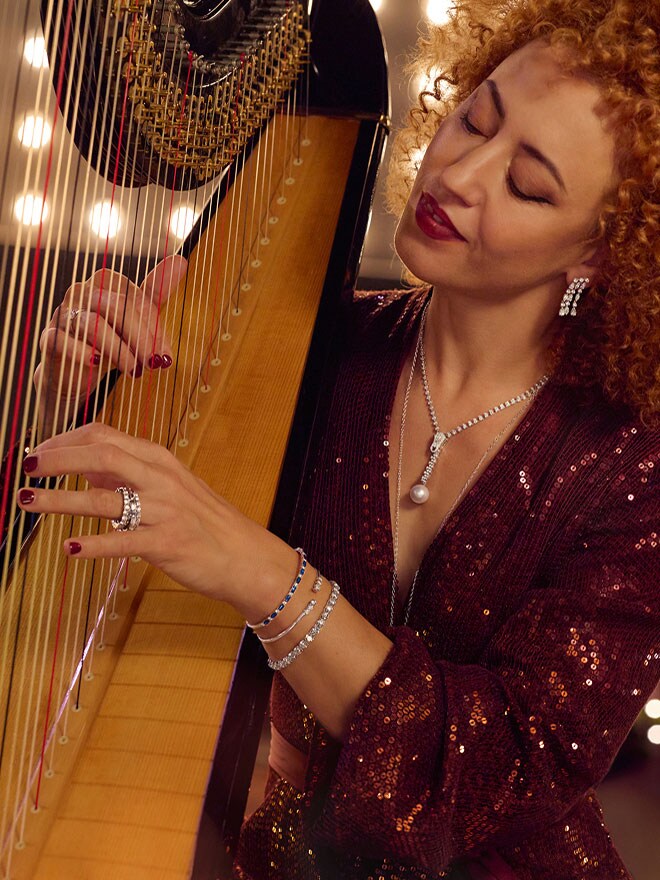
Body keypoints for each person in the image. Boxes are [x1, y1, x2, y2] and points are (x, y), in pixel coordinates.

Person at [19, 0, 659, 877]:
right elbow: (72, 585)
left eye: (528, 185)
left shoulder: (634, 468)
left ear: (598, 250)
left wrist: (263, 575)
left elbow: (506, 763)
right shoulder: (320, 345)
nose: (460, 175)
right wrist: (74, 394)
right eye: (476, 117)